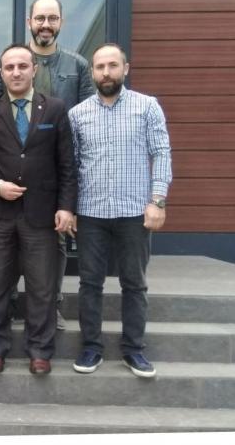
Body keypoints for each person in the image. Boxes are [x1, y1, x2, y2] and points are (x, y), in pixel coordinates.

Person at [0, 0, 95, 330]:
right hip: (12, 175)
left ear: (61, 22)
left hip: (57, 171)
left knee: (57, 242)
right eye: (39, 19)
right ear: (29, 22)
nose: (45, 25)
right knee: (8, 248)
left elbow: (90, 114)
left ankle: (53, 303)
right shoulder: (12, 63)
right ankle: (8, 304)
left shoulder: (77, 65)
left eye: (52, 18)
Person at [0, 43, 77, 375]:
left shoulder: (55, 109)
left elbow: (67, 164)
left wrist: (66, 208)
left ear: (34, 70)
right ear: (1, 72)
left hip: (41, 215)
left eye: (22, 66)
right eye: (9, 67)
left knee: (42, 287)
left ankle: (40, 350)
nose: (16, 72)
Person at [68, 43, 172, 378]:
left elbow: (162, 153)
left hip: (134, 212)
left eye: (113, 65)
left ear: (125, 69)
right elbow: (72, 166)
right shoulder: (77, 114)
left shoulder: (147, 107)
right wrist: (69, 208)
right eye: (100, 67)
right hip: (91, 212)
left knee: (134, 283)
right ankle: (91, 347)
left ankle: (134, 349)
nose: (106, 73)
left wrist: (158, 201)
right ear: (92, 72)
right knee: (90, 283)